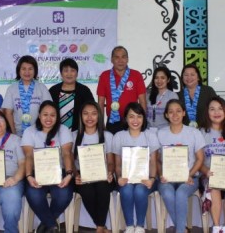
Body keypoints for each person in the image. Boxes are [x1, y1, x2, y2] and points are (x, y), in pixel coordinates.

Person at [22, 100, 74, 233]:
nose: (49, 118)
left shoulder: (63, 130)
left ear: (57, 117)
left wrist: (69, 174)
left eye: (53, 115)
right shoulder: (30, 131)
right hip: (36, 172)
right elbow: (28, 156)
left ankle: (46, 225)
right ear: (39, 115)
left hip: (59, 171)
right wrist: (28, 176)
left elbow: (67, 153)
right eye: (45, 114)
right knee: (34, 194)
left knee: (63, 195)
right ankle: (52, 226)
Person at [157, 99, 205, 233]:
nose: (175, 115)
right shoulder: (161, 133)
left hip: (190, 177)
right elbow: (157, 160)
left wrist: (189, 175)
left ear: (184, 113)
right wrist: (161, 174)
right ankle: (182, 229)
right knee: (166, 192)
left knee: (181, 193)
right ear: (166, 115)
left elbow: (200, 159)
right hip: (167, 178)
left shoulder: (194, 133)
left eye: (178, 111)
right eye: (171, 112)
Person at [113, 102, 159, 233]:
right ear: (125, 118)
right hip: (126, 178)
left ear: (143, 118)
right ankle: (129, 226)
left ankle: (139, 226)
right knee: (126, 189)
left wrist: (151, 179)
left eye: (139, 116)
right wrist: (119, 177)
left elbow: (153, 162)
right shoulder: (119, 136)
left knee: (139, 190)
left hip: (146, 179)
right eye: (131, 116)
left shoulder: (150, 136)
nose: (135, 120)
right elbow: (117, 164)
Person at [73, 102, 114, 233]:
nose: (89, 117)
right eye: (86, 113)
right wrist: (76, 175)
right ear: (80, 116)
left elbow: (111, 162)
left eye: (94, 113)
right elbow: (70, 162)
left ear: (99, 116)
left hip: (102, 173)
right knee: (87, 191)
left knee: (103, 188)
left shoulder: (107, 136)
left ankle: (99, 227)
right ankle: (101, 226)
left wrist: (110, 172)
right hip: (83, 175)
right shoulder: (74, 136)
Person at [97, 46, 147, 134]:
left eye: (123, 57)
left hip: (132, 120)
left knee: (132, 147)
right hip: (112, 121)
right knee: (113, 148)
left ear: (127, 59)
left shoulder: (136, 75)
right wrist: (100, 123)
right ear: (112, 60)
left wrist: (143, 122)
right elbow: (100, 103)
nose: (120, 60)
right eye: (117, 57)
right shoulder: (105, 76)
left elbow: (142, 101)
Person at [2, 55, 52, 136]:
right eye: (24, 69)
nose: (27, 72)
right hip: (18, 133)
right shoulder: (12, 89)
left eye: (30, 69)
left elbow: (49, 110)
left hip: (38, 133)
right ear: (19, 70)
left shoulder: (41, 87)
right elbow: (8, 113)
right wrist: (13, 134)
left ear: (35, 70)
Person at [199, 96, 225, 231]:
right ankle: (217, 227)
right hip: (209, 174)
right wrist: (206, 171)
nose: (216, 112)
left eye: (220, 109)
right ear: (207, 112)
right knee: (214, 185)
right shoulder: (201, 133)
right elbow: (198, 160)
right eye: (212, 109)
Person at [49, 58, 95, 132]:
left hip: (79, 132)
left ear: (77, 73)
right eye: (66, 71)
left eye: (72, 70)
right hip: (56, 132)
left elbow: (92, 110)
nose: (69, 74)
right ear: (61, 73)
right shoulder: (53, 90)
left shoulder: (84, 90)